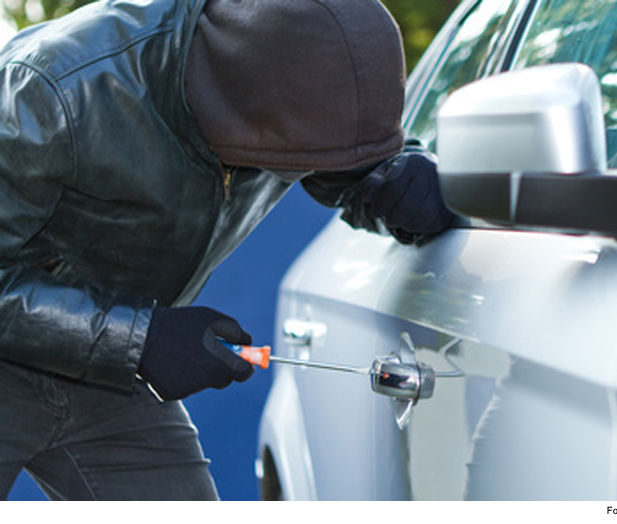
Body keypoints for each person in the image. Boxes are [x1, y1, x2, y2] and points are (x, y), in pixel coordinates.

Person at [0, 0, 455, 501]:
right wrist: (140, 339)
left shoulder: (287, 69)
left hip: (112, 373)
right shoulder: (51, 88)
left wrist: (401, 179)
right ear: (227, 103)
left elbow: (345, 171)